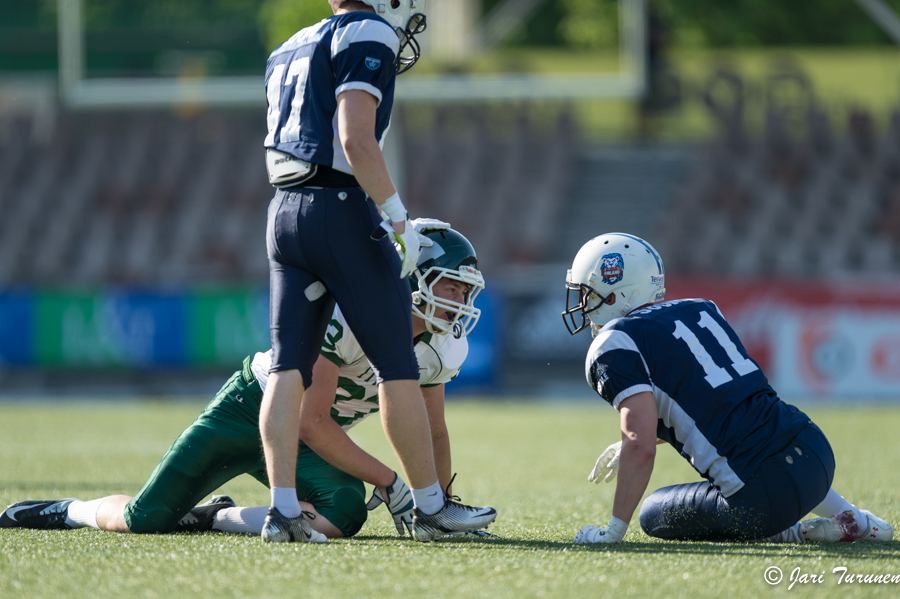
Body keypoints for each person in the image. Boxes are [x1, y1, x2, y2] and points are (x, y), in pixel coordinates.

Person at [1, 226, 496, 543]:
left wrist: (441, 505)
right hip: (249, 410)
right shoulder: (347, 316)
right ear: (408, 277)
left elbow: (433, 433)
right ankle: (69, 510)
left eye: (464, 288)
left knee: (343, 513)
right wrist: (390, 482)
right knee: (143, 519)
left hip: (304, 441)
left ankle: (212, 517)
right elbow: (311, 421)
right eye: (449, 285)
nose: (458, 300)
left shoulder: (443, 346)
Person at [259, 0, 492, 543]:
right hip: (338, 207)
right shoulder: (367, 30)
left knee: (287, 364)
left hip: (282, 210)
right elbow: (355, 138)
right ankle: (432, 507)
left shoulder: (288, 45)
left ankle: (281, 510)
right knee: (396, 365)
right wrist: (398, 218)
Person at [561, 232, 894, 544]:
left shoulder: (614, 342)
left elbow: (642, 447)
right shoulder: (701, 308)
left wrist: (613, 530)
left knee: (654, 513)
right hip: (815, 451)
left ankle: (795, 533)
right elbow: (718, 401)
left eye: (588, 294)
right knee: (769, 449)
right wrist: (643, 435)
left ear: (616, 293)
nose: (584, 304)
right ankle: (853, 518)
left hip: (763, 495)